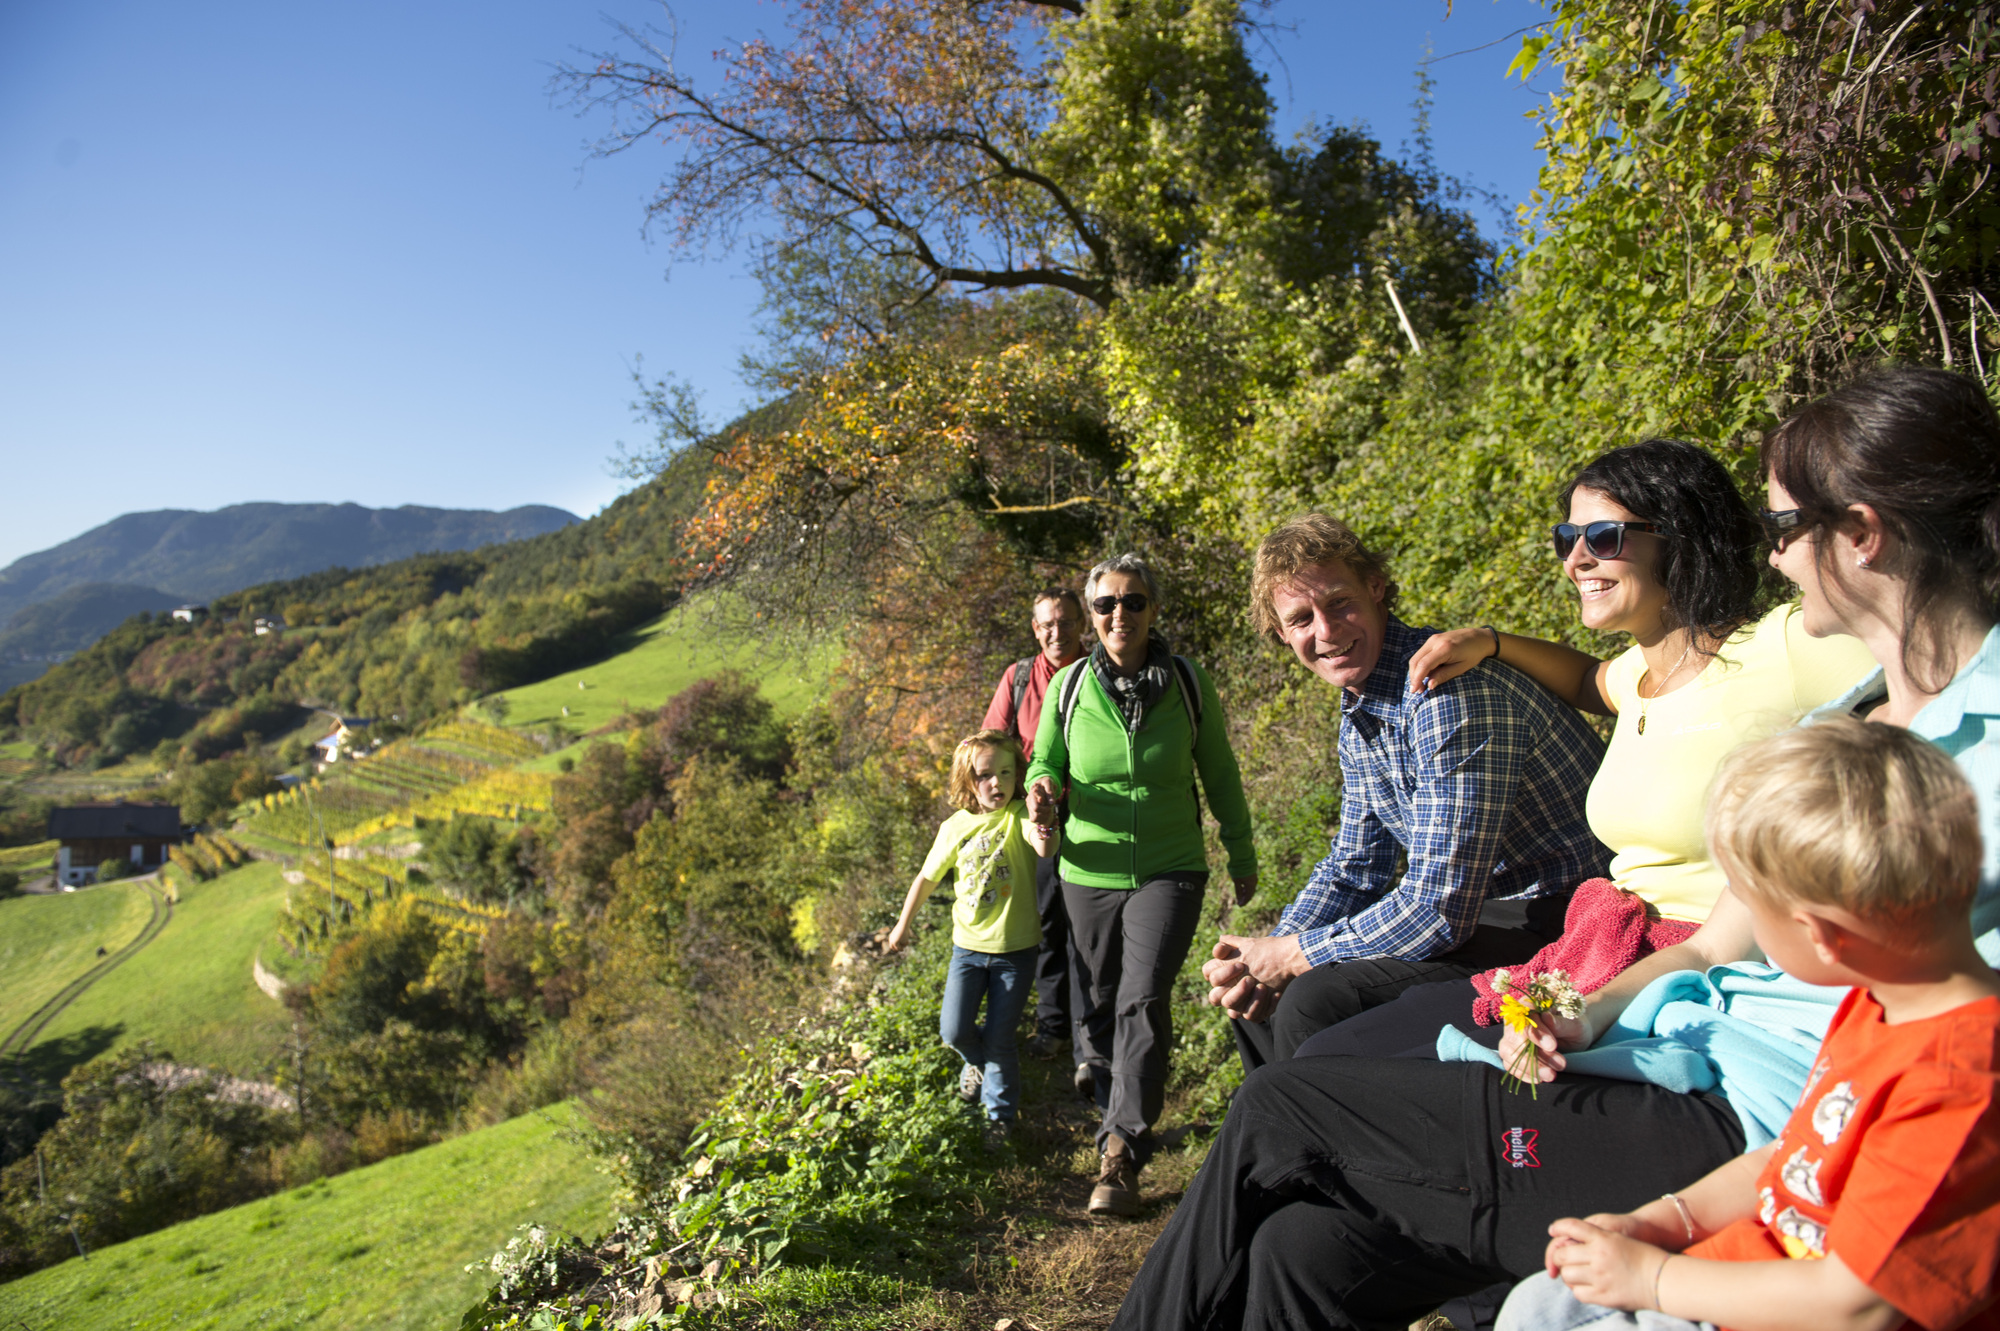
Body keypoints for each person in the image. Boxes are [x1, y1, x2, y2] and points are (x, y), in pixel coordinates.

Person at [1112, 367, 2000, 1331]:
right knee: (1303, 1249)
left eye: (1784, 525)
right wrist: (1578, 1008)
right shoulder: (1838, 720)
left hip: (1751, 1094)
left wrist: (1295, 951)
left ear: (1862, 534)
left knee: (1284, 1102)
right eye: (1566, 539)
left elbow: (1444, 899)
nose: (1773, 550)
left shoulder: (1807, 661)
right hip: (1650, 1016)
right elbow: (1699, 919)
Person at [1288, 439, 1873, 1063]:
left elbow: (1925, 676)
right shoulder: (1642, 675)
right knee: (1319, 1054)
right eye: (1568, 538)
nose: (1576, 559)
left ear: (1681, 536)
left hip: (1709, 970)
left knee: (1323, 1062)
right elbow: (1589, 681)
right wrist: (1491, 641)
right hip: (1607, 952)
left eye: (1604, 537)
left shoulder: (1786, 647)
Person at [1498, 719, 2000, 1331]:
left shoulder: (1959, 1083)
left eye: (1752, 906)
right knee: (1538, 1305)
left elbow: (1857, 1307)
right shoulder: (1881, 1005)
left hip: (1801, 1310)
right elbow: (1791, 1156)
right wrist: (1661, 1224)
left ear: (1821, 936)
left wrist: (1651, 1278)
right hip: (1748, 1269)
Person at [1205, 514, 1611, 1072]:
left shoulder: (1444, 689)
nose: (1326, 631)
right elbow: (1355, 867)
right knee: (1256, 999)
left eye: (1339, 603)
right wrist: (1268, 953)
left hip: (1564, 918)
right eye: (1301, 618)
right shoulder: (1363, 707)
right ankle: (1287, 1125)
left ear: (1376, 587)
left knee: (1314, 999)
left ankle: (1324, 1124)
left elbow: (1439, 908)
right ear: (1281, 634)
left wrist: (1295, 956)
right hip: (1487, 916)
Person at [1023, 553, 1256, 1217]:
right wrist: (1043, 788)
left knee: (1143, 996)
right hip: (1086, 869)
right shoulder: (1069, 686)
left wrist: (1241, 851)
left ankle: (1121, 1149)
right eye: (1105, 604)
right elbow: (1044, 760)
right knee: (1101, 995)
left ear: (1153, 609)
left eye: (1133, 601)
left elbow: (1220, 770)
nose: (1118, 614)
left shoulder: (1186, 681)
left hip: (1170, 865)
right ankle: (1114, 1101)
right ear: (1091, 616)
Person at [886, 728, 1057, 1148]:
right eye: (985, 775)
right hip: (967, 950)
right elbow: (927, 878)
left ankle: (999, 1117)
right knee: (954, 1030)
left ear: (1017, 775)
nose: (997, 783)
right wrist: (903, 924)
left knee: (1000, 1038)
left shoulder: (1019, 816)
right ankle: (976, 1063)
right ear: (968, 780)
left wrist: (1044, 824)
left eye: (1006, 772)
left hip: (1016, 950)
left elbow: (1044, 848)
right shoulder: (955, 827)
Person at [981, 588, 1088, 1066]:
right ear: (1035, 629)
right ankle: (1054, 1026)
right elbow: (991, 743)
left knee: (1090, 925)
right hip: (1035, 819)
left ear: (1081, 624)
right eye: (1047, 624)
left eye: (1065, 622)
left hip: (1092, 817)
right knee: (1046, 921)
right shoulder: (1019, 678)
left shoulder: (1100, 672)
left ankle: (1091, 1037)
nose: (1056, 632)